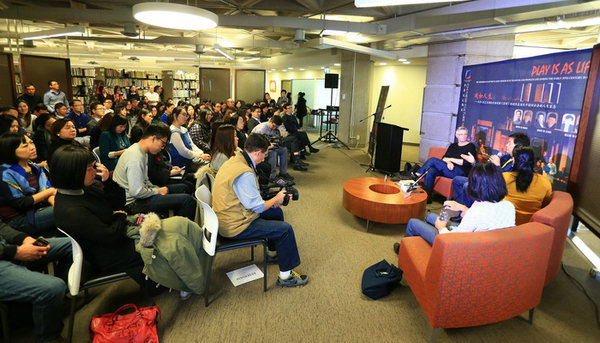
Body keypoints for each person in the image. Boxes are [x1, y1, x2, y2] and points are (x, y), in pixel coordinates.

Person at [212, 133, 308, 287]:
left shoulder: (236, 159)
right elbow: (256, 206)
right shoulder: (244, 172)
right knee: (285, 230)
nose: (264, 158)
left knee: (276, 212)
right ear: (257, 153)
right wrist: (276, 200)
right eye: (265, 154)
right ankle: (286, 277)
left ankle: (272, 253)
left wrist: (273, 202)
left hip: (227, 216)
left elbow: (250, 200)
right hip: (235, 225)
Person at [398, 162, 515, 252]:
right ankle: (424, 241)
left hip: (459, 248)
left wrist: (441, 228)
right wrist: (464, 208)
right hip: (483, 243)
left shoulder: (477, 213)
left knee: (413, 222)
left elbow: (454, 240)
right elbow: (487, 220)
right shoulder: (509, 206)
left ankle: (403, 250)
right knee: (431, 216)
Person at [0, 220, 71, 343]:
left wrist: (25, 239)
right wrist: (15, 253)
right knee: (53, 287)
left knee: (72, 246)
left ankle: (53, 306)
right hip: (6, 254)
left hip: (6, 248)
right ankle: (49, 338)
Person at [113, 124, 197, 220]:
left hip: (139, 196)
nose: (162, 148)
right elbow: (136, 191)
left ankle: (176, 223)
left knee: (183, 189)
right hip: (132, 203)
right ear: (153, 138)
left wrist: (156, 189)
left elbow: (145, 180)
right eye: (163, 144)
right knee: (187, 200)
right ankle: (180, 229)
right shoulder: (135, 157)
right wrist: (157, 191)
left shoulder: (142, 151)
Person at [453, 132, 530, 207]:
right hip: (488, 181)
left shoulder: (520, 162)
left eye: (509, 143)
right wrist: (474, 162)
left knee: (468, 185)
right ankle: (461, 209)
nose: (506, 145)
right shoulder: (507, 157)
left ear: (518, 146)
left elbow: (507, 182)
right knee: (457, 180)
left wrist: (498, 166)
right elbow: (486, 169)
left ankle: (469, 213)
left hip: (496, 188)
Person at [0, 133, 56, 234]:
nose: (32, 147)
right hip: (17, 220)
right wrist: (50, 193)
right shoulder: (5, 173)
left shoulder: (35, 167)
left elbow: (47, 190)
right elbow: (20, 203)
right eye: (25, 146)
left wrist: (54, 202)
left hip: (38, 210)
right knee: (68, 210)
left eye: (31, 143)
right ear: (10, 150)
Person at [414, 126, 477, 202]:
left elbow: (466, 162)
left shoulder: (470, 146)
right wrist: (448, 162)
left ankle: (416, 174)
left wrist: (450, 159)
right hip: (448, 169)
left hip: (460, 172)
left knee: (433, 160)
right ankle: (427, 197)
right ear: (456, 136)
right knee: (431, 170)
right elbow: (444, 158)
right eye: (461, 134)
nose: (463, 136)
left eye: (465, 134)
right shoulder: (453, 146)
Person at [503, 146, 553, 225]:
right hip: (531, 229)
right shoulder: (545, 182)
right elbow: (546, 205)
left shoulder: (504, 178)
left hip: (505, 225)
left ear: (514, 160)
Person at [167, 106, 210, 172]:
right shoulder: (173, 132)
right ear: (175, 115)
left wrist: (201, 153)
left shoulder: (184, 129)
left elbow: (192, 145)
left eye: (186, 115)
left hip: (191, 158)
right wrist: (199, 156)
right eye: (183, 115)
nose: (186, 117)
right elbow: (183, 152)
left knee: (209, 160)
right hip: (182, 163)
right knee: (207, 167)